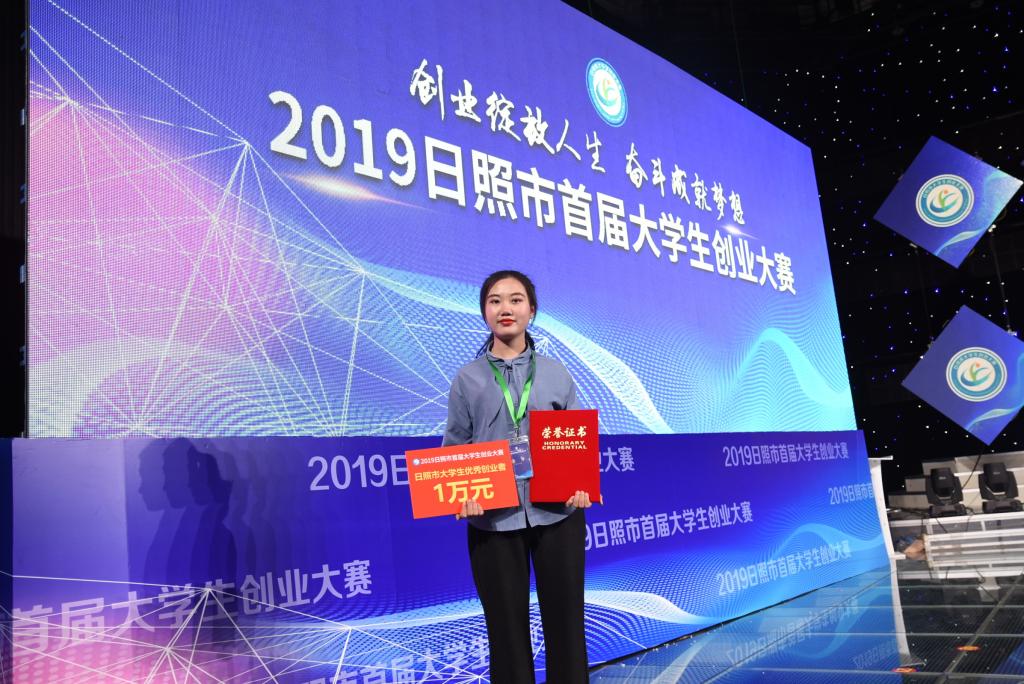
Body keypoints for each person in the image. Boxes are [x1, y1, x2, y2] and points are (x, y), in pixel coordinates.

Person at [443, 269, 591, 684]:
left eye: (515, 299)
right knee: (505, 632)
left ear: (532, 310)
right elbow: (455, 447)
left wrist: (580, 485)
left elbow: (576, 441)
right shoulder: (467, 378)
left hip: (557, 514)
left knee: (566, 625)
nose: (505, 308)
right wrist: (461, 494)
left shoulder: (557, 373)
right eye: (495, 301)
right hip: (493, 519)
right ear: (484, 312)